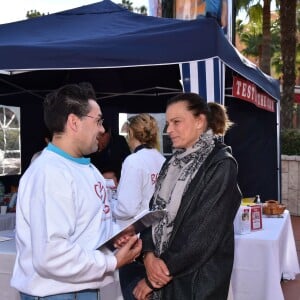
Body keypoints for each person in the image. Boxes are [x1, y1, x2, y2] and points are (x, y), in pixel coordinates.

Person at [10, 82, 142, 300]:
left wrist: (115, 238)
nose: (102, 128)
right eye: (98, 120)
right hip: (56, 293)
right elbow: (51, 255)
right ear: (73, 122)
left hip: (82, 289)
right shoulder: (49, 173)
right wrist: (112, 261)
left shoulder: (88, 169)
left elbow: (89, 229)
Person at [132, 92, 242, 300]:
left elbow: (202, 233)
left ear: (200, 121)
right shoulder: (171, 163)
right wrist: (147, 255)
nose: (169, 129)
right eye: (168, 122)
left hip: (196, 284)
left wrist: (154, 277)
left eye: (176, 122)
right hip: (165, 278)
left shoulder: (221, 164)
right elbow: (153, 211)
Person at [111, 113, 165, 300]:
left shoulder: (133, 161)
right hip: (159, 238)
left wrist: (110, 205)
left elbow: (127, 207)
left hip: (136, 241)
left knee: (135, 293)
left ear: (131, 134)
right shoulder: (161, 159)